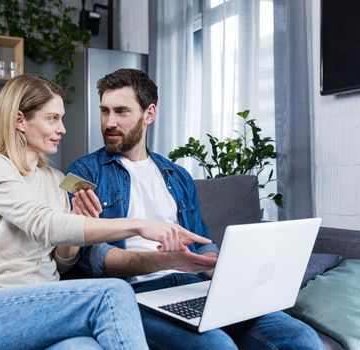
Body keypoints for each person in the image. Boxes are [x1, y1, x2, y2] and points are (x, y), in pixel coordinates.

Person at [0, 73, 215, 350]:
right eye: (52, 119)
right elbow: (44, 224)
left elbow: (63, 262)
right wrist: (138, 225)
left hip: (46, 305)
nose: (62, 129)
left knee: (85, 347)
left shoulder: (55, 178)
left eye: (61, 118)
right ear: (19, 120)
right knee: (113, 293)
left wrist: (76, 225)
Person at [66, 68, 325, 350]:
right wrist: (167, 261)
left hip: (197, 286)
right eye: (104, 111)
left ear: (149, 114)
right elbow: (93, 257)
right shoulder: (83, 173)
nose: (109, 122)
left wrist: (215, 264)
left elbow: (201, 239)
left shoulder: (176, 175)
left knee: (302, 338)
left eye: (121, 111)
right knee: (218, 347)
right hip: (137, 294)